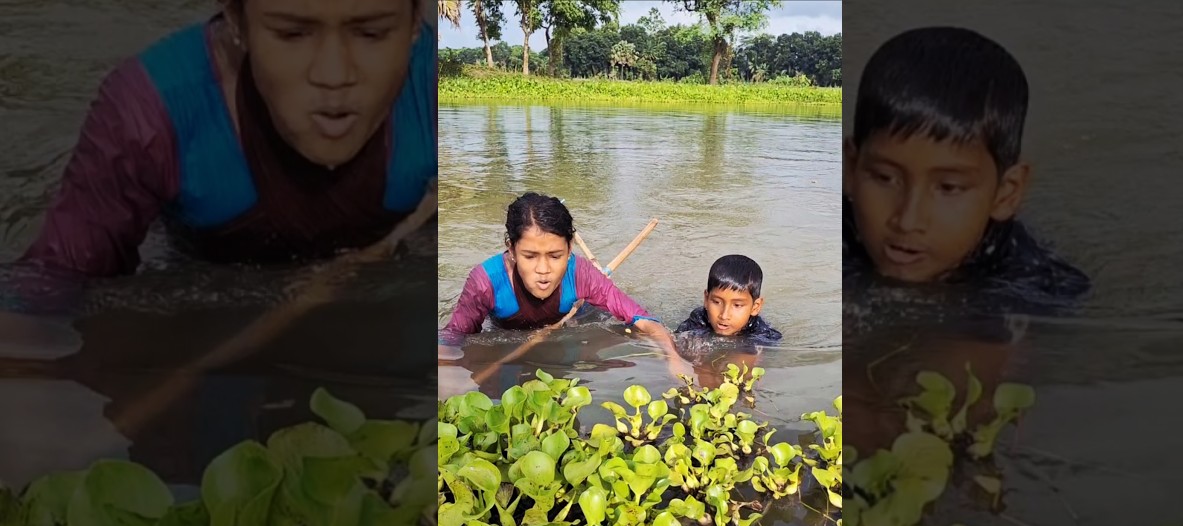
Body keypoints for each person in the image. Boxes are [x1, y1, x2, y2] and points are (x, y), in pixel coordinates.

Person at [17, 0, 436, 278]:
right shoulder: (154, 112)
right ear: (236, 20)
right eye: (292, 34)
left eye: (372, 34)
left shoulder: (431, 87)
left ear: (416, 22)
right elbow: (50, 297)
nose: (333, 74)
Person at [844, 26, 1090, 315]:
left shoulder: (1034, 288)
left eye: (948, 188)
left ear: (1005, 194)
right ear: (850, 168)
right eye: (885, 178)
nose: (907, 221)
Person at [439, 192, 689, 377]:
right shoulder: (485, 282)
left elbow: (646, 321)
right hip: (506, 331)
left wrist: (674, 359)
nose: (544, 270)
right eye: (530, 256)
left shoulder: (581, 273)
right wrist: (452, 377)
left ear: (570, 250)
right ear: (511, 250)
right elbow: (452, 340)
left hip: (571, 320)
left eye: (555, 256)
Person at [675, 254, 782, 344]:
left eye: (737, 305)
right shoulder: (699, 320)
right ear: (706, 300)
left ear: (755, 307)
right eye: (716, 302)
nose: (724, 315)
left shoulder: (762, 333)